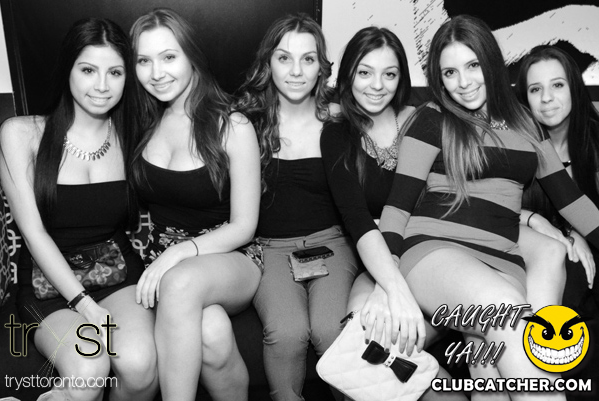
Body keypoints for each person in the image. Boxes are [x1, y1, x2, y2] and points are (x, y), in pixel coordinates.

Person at [379, 15, 599, 400]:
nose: (463, 82)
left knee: (492, 384)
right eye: (450, 72)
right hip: (434, 251)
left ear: (491, 63)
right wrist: (388, 283)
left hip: (502, 258)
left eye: (473, 66)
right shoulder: (430, 119)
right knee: (510, 318)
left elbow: (572, 201)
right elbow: (397, 208)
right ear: (439, 78)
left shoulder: (525, 123)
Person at [0, 18, 158, 401]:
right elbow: (33, 234)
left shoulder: (135, 136)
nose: (102, 85)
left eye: (115, 72)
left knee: (139, 367)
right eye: (88, 70)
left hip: (117, 275)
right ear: (68, 69)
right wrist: (85, 305)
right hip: (47, 286)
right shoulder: (21, 134)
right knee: (90, 368)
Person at [320, 26, 466, 401]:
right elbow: (357, 219)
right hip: (378, 258)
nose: (376, 85)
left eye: (389, 74)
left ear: (402, 77)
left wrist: (533, 218)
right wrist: (390, 287)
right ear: (348, 74)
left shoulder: (424, 121)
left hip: (435, 255)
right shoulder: (337, 134)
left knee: (385, 346)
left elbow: (460, 195)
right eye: (364, 72)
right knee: (356, 348)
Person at [129, 8, 262, 401]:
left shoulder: (233, 126)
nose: (156, 73)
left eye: (169, 57)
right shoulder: (140, 123)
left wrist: (178, 254)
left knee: (181, 282)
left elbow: (244, 226)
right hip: (159, 259)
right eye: (144, 61)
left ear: (192, 57)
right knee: (212, 333)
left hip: (231, 256)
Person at [234, 13, 360, 401]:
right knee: (287, 332)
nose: (296, 71)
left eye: (308, 59)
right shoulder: (245, 124)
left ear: (321, 67)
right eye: (284, 58)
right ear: (268, 62)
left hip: (332, 243)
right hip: (269, 248)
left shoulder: (339, 120)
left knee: (332, 328)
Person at [516, 45, 599, 295]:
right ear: (525, 98)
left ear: (574, 88)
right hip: (526, 251)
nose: (546, 98)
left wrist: (573, 231)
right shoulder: (515, 144)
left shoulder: (595, 140)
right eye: (535, 89)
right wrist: (563, 231)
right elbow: (487, 208)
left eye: (558, 85)